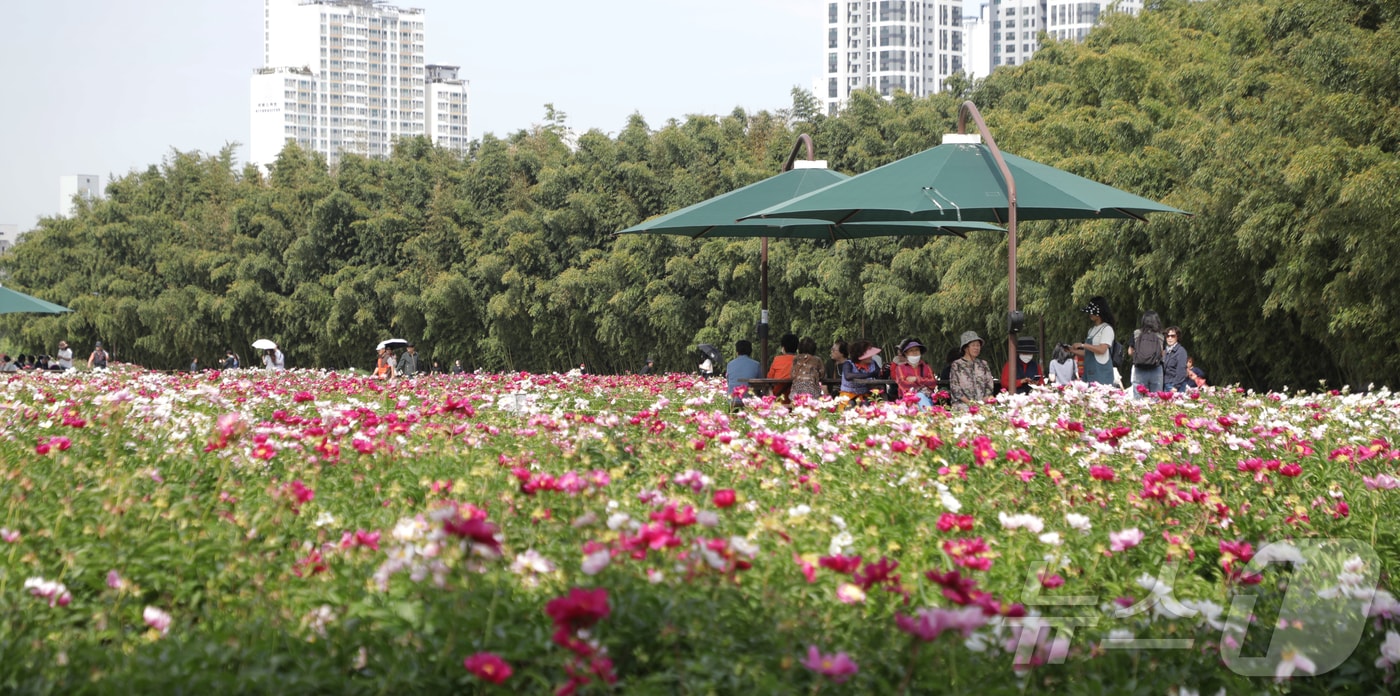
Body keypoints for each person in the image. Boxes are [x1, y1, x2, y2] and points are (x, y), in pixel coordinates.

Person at [1071, 297, 1116, 386]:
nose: (1090, 314)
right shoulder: (1091, 330)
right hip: (1089, 372)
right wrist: (1072, 350)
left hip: (1101, 374)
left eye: (1092, 312)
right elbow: (1088, 353)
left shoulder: (1107, 329)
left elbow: (1102, 349)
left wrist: (1083, 345)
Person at [949, 331, 995, 408]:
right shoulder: (957, 365)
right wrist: (971, 403)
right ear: (965, 348)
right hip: (962, 404)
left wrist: (983, 401)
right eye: (973, 345)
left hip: (982, 403)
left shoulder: (983, 364)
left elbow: (989, 385)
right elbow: (955, 388)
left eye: (978, 345)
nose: (976, 348)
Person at [889, 338, 939, 408]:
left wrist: (916, 379)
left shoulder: (927, 367)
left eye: (917, 350)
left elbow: (933, 383)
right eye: (911, 350)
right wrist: (923, 385)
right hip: (907, 400)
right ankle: (928, 415)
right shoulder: (900, 368)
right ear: (906, 353)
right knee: (919, 396)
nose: (915, 352)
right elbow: (903, 385)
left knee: (921, 396)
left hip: (926, 398)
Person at [1127, 311, 1166, 397]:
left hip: (1139, 370)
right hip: (1156, 369)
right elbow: (1163, 354)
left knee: (1138, 399)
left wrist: (1139, 356)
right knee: (1156, 398)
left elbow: (1130, 352)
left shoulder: (1136, 333)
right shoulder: (1161, 335)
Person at [836, 339, 881, 403]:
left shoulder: (873, 363)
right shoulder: (848, 363)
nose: (871, 356)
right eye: (868, 354)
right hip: (848, 396)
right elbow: (848, 376)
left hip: (865, 395)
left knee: (867, 405)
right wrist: (869, 374)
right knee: (850, 405)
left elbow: (878, 374)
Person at [725, 340, 762, 407]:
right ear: (750, 351)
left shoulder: (730, 364)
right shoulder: (756, 365)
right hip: (750, 399)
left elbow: (728, 381)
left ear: (737, 352)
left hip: (732, 399)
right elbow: (761, 383)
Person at [766, 333, 799, 400]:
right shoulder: (801, 360)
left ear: (783, 348)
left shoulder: (777, 360)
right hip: (796, 399)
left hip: (778, 398)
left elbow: (769, 379)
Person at [1162, 327, 1189, 392]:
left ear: (1177, 337)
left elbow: (1181, 370)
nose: (1169, 338)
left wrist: (1176, 386)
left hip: (1175, 386)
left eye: (1172, 336)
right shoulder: (1166, 351)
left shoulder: (1181, 351)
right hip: (1166, 384)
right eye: (1167, 336)